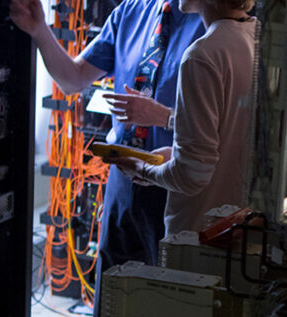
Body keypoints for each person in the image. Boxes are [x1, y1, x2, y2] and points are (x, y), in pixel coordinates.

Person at [9, 0, 206, 317]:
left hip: (176, 190)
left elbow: (228, 125)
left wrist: (159, 115)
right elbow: (73, 77)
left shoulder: (217, 21)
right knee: (113, 300)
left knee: (170, 311)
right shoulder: (133, 12)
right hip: (124, 182)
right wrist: (40, 31)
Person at [103, 0, 256, 236]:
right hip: (236, 226)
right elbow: (229, 134)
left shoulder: (201, 56)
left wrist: (141, 169)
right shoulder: (255, 38)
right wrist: (176, 154)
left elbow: (191, 176)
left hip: (196, 234)